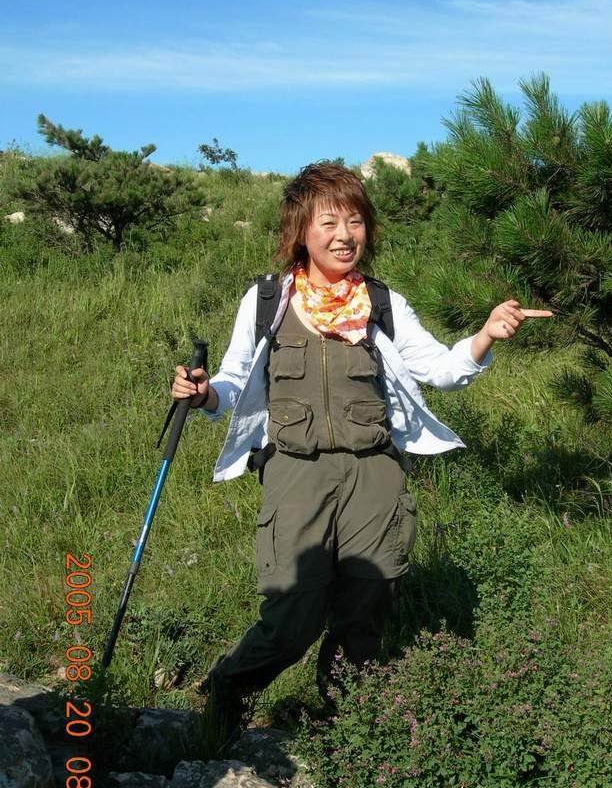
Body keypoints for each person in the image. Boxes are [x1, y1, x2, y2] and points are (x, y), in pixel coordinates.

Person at [172, 161, 552, 733]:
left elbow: (442, 369)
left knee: (366, 608)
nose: (344, 235)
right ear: (301, 231)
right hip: (295, 473)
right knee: (293, 612)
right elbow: (232, 381)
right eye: (328, 223)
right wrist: (204, 394)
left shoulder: (382, 302)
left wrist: (484, 336)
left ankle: (347, 723)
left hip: (374, 475)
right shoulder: (267, 300)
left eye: (354, 221)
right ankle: (227, 693)